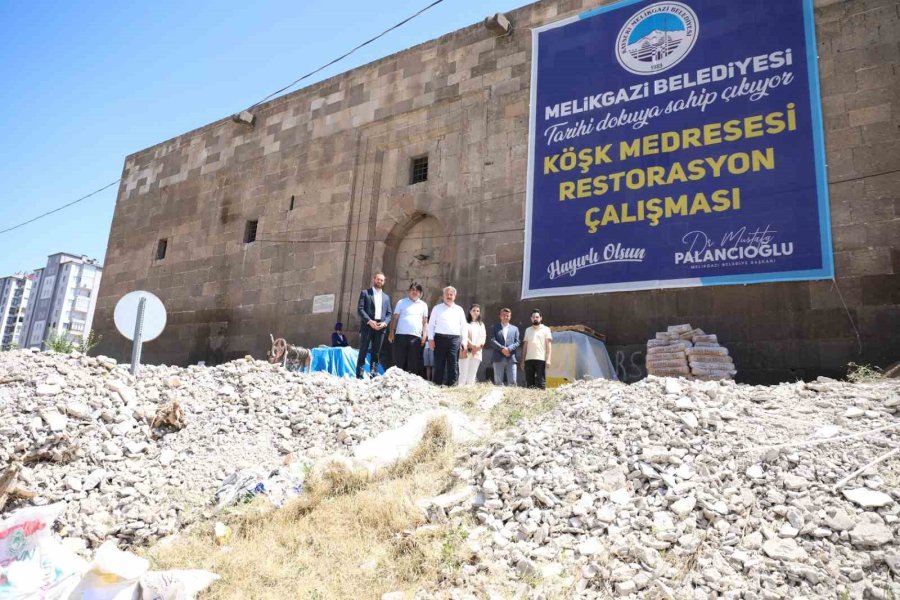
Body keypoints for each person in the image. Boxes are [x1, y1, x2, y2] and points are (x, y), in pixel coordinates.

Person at [426, 286, 468, 386]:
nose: (449, 296)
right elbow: (431, 325)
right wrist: (430, 339)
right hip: (439, 338)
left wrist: (464, 341)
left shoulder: (459, 309)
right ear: (443, 296)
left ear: (454, 296)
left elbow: (464, 326)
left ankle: (452, 385)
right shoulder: (437, 308)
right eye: (447, 294)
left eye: (451, 294)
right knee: (439, 363)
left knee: (453, 363)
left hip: (454, 339)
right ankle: (437, 384)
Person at [355, 272, 392, 379]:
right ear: (374, 279)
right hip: (367, 326)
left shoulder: (386, 297)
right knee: (363, 350)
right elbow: (360, 309)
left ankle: (373, 375)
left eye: (381, 280)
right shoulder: (365, 293)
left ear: (384, 282)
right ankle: (359, 375)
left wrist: (385, 323)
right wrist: (370, 321)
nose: (379, 281)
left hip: (380, 327)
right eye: (378, 279)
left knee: (376, 353)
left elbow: (389, 313)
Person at [389, 282, 428, 375]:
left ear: (420, 293)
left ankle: (411, 383)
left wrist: (424, 335)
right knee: (399, 361)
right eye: (413, 290)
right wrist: (391, 332)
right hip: (400, 336)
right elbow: (395, 318)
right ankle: (398, 381)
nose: (415, 292)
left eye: (417, 290)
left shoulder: (423, 305)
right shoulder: (401, 302)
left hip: (416, 337)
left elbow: (425, 322)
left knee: (413, 362)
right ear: (409, 291)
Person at [522, 309, 553, 389]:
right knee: (529, 383)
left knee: (541, 382)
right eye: (533, 317)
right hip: (528, 360)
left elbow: (548, 345)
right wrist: (522, 360)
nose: (535, 318)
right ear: (531, 318)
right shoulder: (527, 330)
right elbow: (525, 346)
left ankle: (541, 400)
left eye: (537, 317)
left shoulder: (546, 329)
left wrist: (548, 359)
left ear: (541, 318)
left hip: (540, 359)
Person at [490, 308, 520, 386]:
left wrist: (509, 349)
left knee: (513, 381)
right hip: (498, 357)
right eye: (504, 315)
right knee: (498, 382)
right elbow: (492, 340)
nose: (506, 317)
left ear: (510, 317)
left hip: (511, 357)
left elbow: (517, 342)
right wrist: (502, 349)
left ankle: (511, 398)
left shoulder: (515, 329)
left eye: (507, 316)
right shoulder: (494, 327)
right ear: (500, 316)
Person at [458, 303, 486, 386]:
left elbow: (483, 336)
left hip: (477, 352)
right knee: (463, 374)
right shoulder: (465, 323)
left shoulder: (481, 324)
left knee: (472, 375)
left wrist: (479, 346)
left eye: (478, 311)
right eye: (474, 310)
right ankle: (460, 390)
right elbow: (463, 336)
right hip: (465, 350)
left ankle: (469, 392)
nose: (476, 312)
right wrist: (472, 345)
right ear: (470, 311)